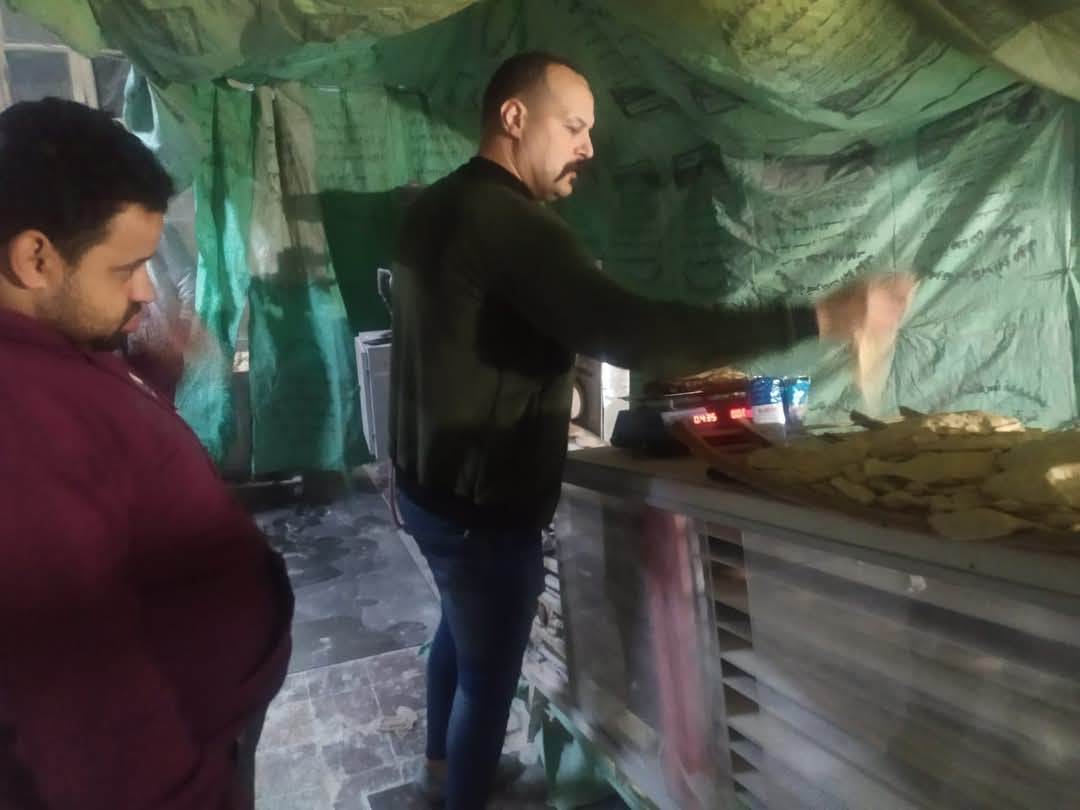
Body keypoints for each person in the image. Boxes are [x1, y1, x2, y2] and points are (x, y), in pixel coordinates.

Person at [390, 52, 913, 808]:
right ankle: (458, 796)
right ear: (514, 117)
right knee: (488, 673)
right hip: (481, 510)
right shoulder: (512, 225)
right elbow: (638, 335)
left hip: (427, 487)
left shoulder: (436, 205)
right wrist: (822, 317)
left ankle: (439, 773)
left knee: (459, 630)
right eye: (574, 127)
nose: (589, 148)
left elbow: (475, 336)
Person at [0, 99, 294, 809]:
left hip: (208, 714)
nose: (143, 290)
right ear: (35, 258)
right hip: (181, 760)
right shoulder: (17, 429)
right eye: (125, 268)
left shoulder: (51, 351)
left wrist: (152, 371)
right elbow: (84, 698)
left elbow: (98, 446)